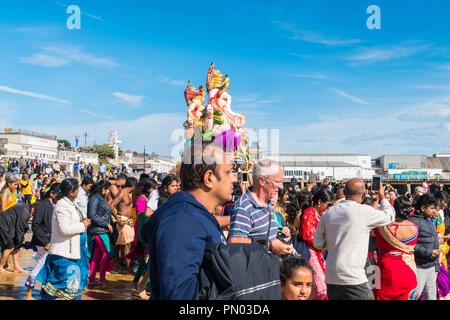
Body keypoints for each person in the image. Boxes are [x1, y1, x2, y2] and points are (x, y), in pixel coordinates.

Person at [142, 140, 234, 300]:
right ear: (209, 178)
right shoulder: (182, 221)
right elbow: (179, 294)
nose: (233, 179)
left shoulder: (194, 216)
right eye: (227, 172)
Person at [313, 178, 395, 300]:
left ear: (344, 193)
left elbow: (318, 243)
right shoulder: (363, 211)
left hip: (331, 276)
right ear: (363, 194)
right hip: (353, 277)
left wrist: (335, 242)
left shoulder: (329, 213)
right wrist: (382, 197)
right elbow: (390, 216)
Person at [36, 178, 91, 300]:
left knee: (73, 287)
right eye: (77, 189)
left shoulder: (71, 203)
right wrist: (83, 225)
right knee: (59, 287)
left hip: (73, 254)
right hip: (64, 254)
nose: (78, 191)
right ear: (71, 192)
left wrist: (82, 223)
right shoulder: (62, 206)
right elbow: (65, 229)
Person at [228, 159, 297, 256]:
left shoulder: (267, 203)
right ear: (262, 181)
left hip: (267, 266)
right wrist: (269, 245)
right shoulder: (244, 206)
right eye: (278, 181)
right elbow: (235, 242)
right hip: (253, 268)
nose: (281, 186)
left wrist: (283, 243)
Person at [372, 196, 418, 300]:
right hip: (409, 269)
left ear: (393, 210)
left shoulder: (383, 227)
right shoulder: (414, 226)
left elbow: (372, 224)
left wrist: (376, 202)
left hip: (385, 269)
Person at [24, 183, 60, 300]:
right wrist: (45, 242)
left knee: (49, 267)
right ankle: (28, 293)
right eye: (58, 194)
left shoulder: (55, 204)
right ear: (52, 193)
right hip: (43, 242)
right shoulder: (42, 204)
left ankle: (44, 292)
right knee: (39, 265)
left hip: (52, 241)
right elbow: (35, 226)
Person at [299, 188, 334, 300]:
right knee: (321, 284)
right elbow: (306, 235)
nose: (329, 207)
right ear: (319, 202)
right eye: (328, 204)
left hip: (318, 252)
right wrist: (324, 242)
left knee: (315, 285)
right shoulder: (310, 213)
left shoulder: (320, 213)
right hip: (311, 252)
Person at [408, 193, 440, 300]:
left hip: (431, 267)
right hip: (419, 267)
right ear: (422, 208)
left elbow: (435, 243)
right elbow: (410, 246)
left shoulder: (429, 221)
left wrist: (436, 266)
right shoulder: (413, 222)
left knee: (431, 297)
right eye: (431, 208)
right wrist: (428, 252)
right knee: (414, 295)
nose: (434, 211)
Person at [87, 180, 115, 286]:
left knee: (97, 255)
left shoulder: (99, 197)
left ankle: (93, 278)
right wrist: (106, 224)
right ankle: (101, 278)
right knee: (107, 253)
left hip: (100, 230)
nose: (109, 192)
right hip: (98, 231)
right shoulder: (95, 198)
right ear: (104, 189)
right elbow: (92, 215)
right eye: (108, 190)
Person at [110, 177, 137, 274]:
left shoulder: (130, 193)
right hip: (122, 221)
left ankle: (119, 265)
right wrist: (117, 219)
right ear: (133, 186)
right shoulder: (122, 193)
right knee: (126, 245)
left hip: (128, 221)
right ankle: (129, 270)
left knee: (124, 245)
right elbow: (111, 206)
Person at [0, 205, 31, 274]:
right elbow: (20, 228)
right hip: (2, 224)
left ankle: (16, 267)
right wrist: (20, 241)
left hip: (9, 225)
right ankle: (0, 267)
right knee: (10, 246)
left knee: (16, 246)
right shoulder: (25, 212)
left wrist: (19, 243)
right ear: (34, 209)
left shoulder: (26, 209)